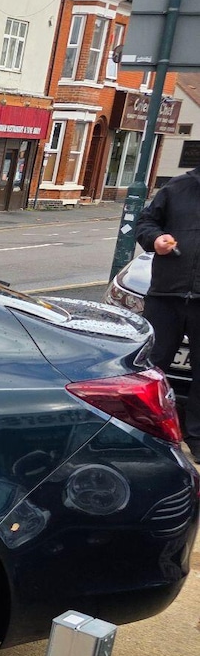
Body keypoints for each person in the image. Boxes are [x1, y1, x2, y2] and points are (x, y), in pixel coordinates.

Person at [135, 166, 200, 451]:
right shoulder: (177, 187)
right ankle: (142, 429)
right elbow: (146, 223)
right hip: (166, 296)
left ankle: (196, 437)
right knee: (151, 367)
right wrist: (155, 240)